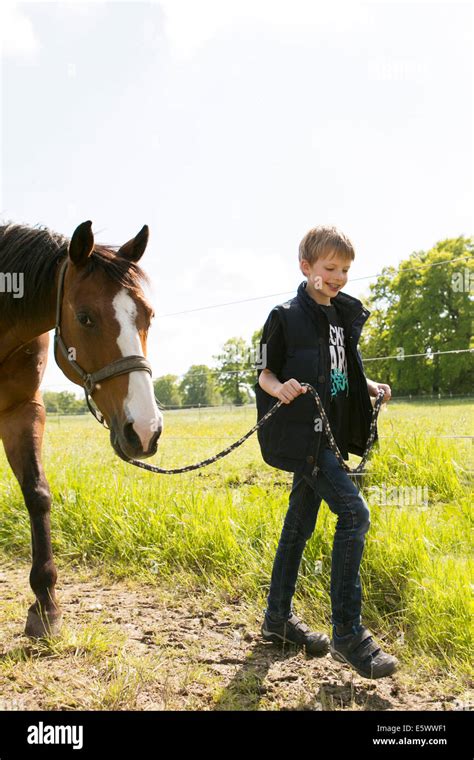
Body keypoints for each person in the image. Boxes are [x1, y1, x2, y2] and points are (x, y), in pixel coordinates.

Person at [254, 225, 398, 679]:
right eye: (329, 268)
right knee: (354, 515)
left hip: (333, 432)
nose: (337, 277)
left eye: (345, 270)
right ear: (306, 267)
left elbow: (344, 370)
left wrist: (369, 386)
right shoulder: (285, 317)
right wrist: (282, 389)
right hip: (306, 436)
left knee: (298, 525)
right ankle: (347, 633)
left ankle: (277, 621)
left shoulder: (340, 317)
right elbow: (264, 373)